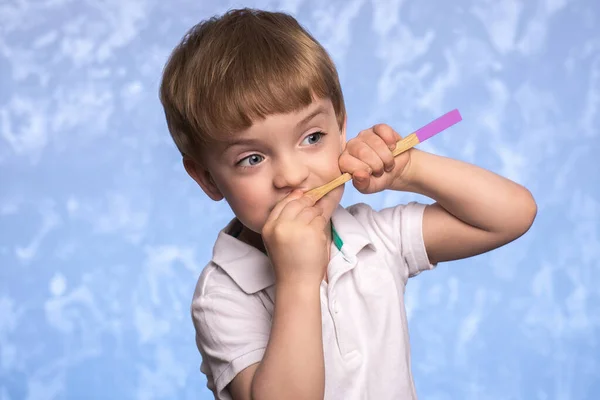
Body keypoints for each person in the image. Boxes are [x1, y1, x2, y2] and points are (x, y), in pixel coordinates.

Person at [159, 7, 537, 400]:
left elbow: (512, 215)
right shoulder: (222, 295)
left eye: (312, 137)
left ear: (341, 127)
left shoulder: (375, 238)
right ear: (206, 178)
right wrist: (298, 280)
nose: (291, 175)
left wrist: (407, 170)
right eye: (252, 159)